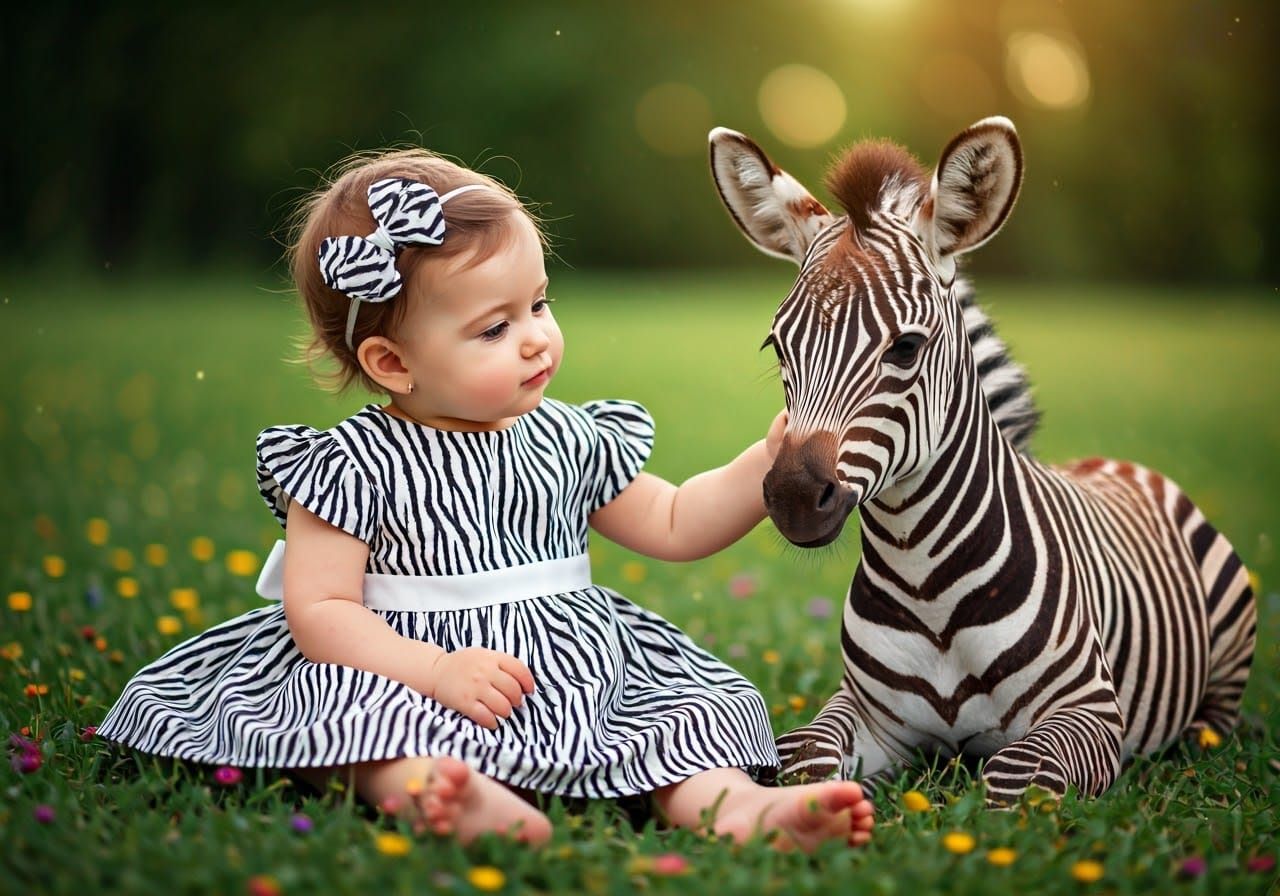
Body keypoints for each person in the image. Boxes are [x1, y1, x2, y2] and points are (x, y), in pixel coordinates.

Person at [97, 148, 874, 850]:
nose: (537, 337)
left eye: (538, 304)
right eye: (494, 328)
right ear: (392, 362)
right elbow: (321, 611)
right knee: (362, 728)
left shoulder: (570, 437)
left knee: (667, 717)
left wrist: (763, 460)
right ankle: (432, 792)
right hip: (401, 663)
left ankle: (734, 805)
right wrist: (431, 671)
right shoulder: (349, 465)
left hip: (569, 669)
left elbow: (672, 520)